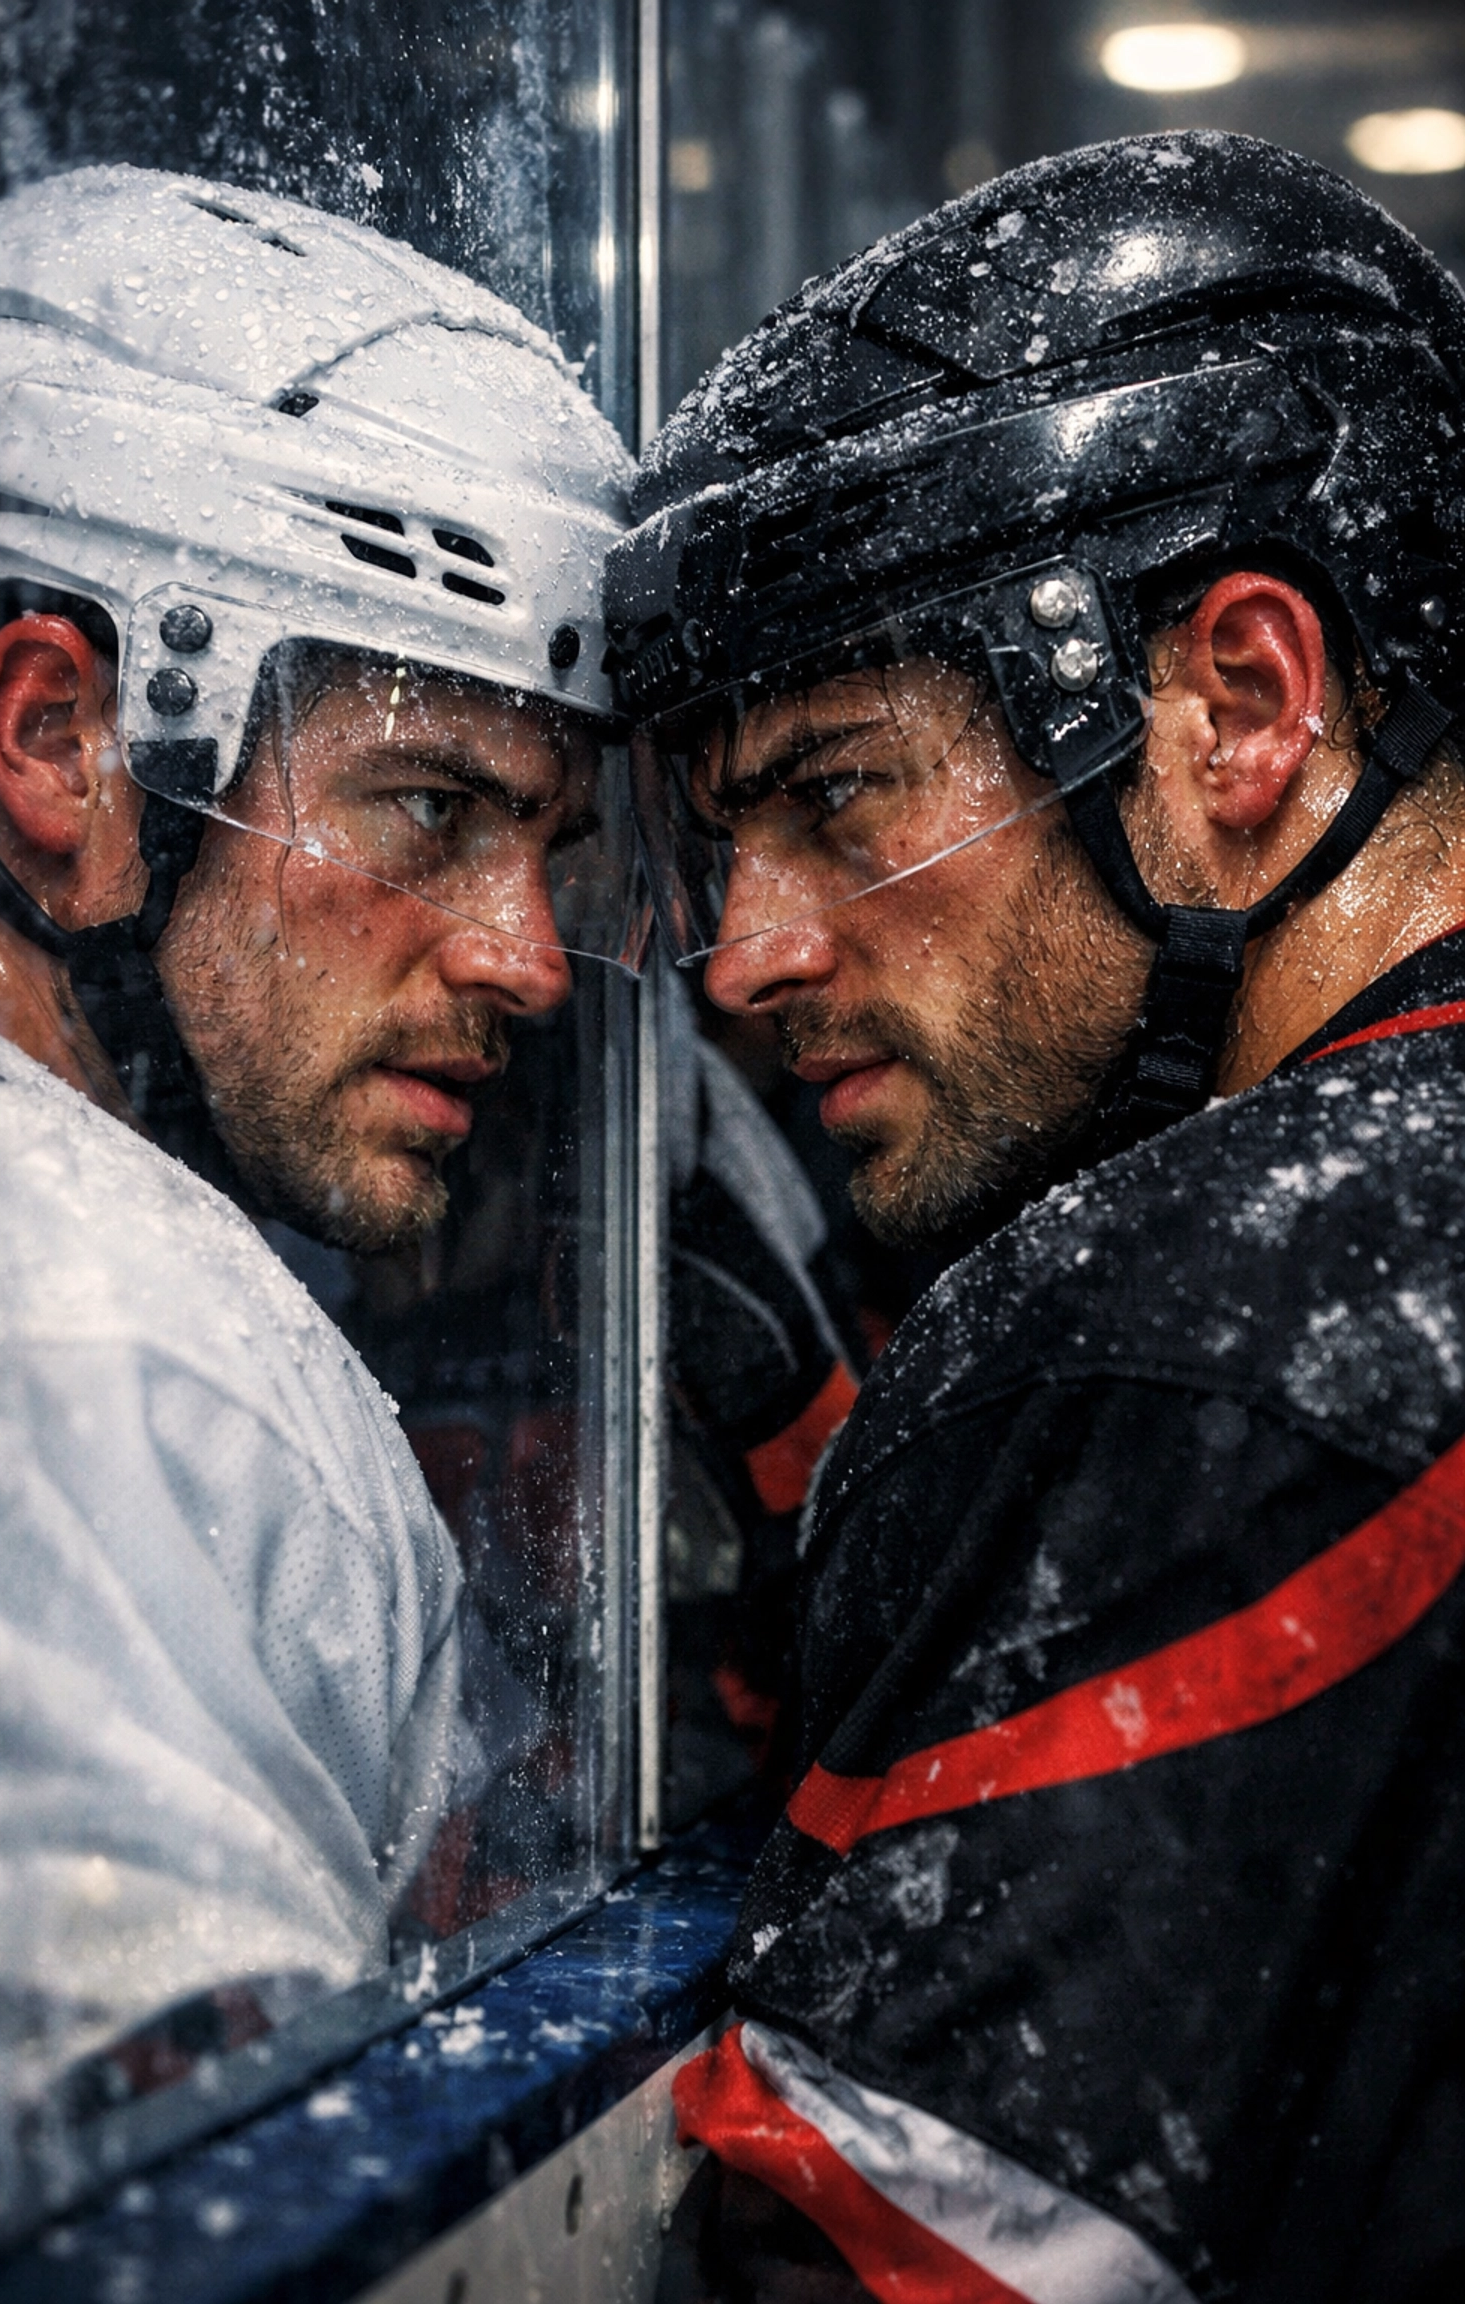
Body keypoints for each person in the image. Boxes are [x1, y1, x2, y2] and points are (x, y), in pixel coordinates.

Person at [610, 134, 1465, 2304]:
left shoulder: (1198, 1331)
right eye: (728, 844)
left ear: (1238, 706)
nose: (746, 955)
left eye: (838, 794)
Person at [0, 163, 632, 2253]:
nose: (525, 957)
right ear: (61, 737)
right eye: (430, 808)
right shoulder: (77, 1340)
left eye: (554, 848)